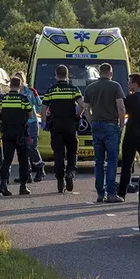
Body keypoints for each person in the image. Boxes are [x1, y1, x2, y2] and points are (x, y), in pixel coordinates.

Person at [83, 63, 126, 203]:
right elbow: (120, 106)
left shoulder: (90, 88)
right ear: (110, 73)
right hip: (111, 125)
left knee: (99, 161)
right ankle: (111, 193)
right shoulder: (115, 86)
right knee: (112, 161)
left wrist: (91, 122)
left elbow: (86, 109)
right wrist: (121, 124)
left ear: (99, 72)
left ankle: (100, 193)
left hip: (96, 125)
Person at [40, 65, 85, 193]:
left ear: (56, 75)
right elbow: (82, 105)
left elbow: (43, 108)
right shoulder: (73, 89)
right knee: (72, 150)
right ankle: (70, 172)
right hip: (70, 124)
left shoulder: (51, 90)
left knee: (58, 153)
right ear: (67, 75)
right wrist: (78, 116)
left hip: (56, 125)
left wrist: (45, 121)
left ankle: (60, 180)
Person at [117, 73, 140, 200]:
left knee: (127, 166)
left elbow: (122, 111)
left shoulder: (129, 99)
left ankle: (122, 193)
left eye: (129, 82)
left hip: (131, 135)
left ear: (135, 84)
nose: (128, 85)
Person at [0, 76, 33, 196]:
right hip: (21, 133)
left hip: (7, 132)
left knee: (7, 159)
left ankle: (3, 183)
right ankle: (23, 186)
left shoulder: (4, 98)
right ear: (20, 85)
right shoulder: (23, 99)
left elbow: (1, 111)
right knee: (23, 160)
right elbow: (30, 115)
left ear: (10, 85)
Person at [13, 71, 46, 183]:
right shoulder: (13, 93)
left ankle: (40, 167)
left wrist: (44, 118)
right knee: (22, 149)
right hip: (20, 123)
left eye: (19, 79)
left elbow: (39, 106)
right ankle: (26, 174)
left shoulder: (31, 91)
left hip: (31, 123)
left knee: (32, 147)